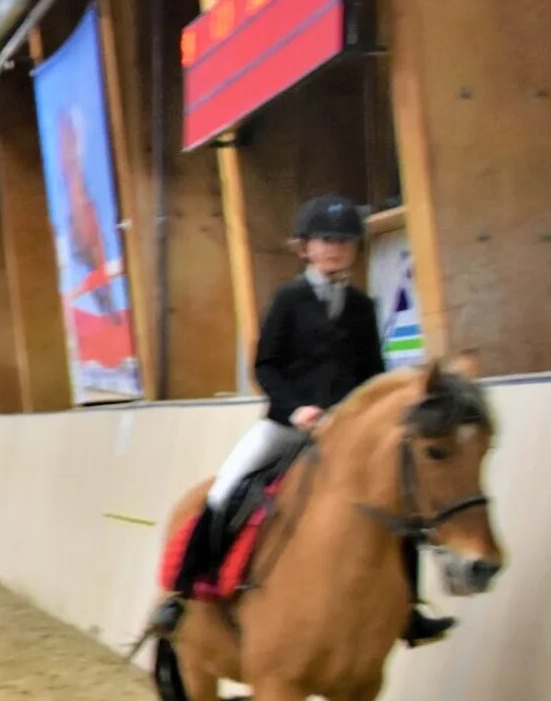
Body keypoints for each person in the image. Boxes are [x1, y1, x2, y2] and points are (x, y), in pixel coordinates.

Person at [163, 194, 453, 646]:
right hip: (286, 425)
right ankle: (183, 591)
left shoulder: (362, 308)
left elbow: (372, 375)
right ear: (306, 248)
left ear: (356, 249)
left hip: (343, 433)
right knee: (226, 489)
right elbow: (266, 366)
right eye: (325, 240)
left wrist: (362, 416)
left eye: (345, 240)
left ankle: (409, 610)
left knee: (399, 503)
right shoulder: (288, 300)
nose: (336, 248)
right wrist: (296, 408)